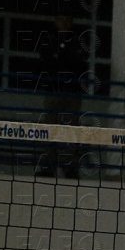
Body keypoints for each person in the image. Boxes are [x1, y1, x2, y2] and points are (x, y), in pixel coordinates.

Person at [36, 16, 86, 179]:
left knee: (72, 131)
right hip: (53, 90)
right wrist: (60, 59)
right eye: (60, 19)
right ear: (56, 22)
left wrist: (60, 57)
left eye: (66, 20)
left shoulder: (77, 41)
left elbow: (78, 63)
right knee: (49, 129)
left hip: (72, 92)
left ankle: (71, 168)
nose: (64, 23)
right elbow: (46, 61)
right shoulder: (49, 40)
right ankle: (49, 166)